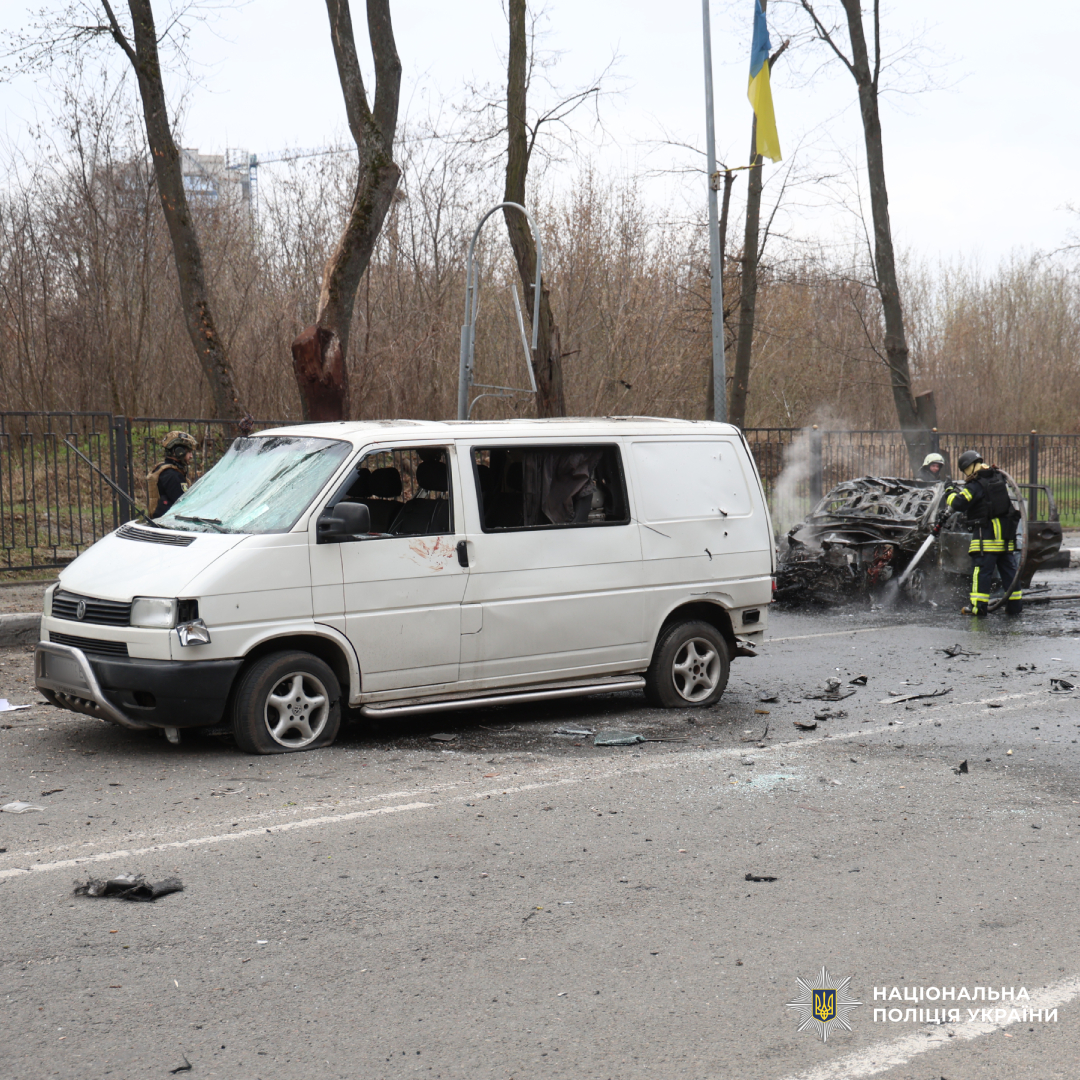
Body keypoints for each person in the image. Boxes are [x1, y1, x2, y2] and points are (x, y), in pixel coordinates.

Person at [945, 450, 1022, 616]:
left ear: (970, 467)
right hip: (1006, 537)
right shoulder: (998, 478)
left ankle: (977, 608)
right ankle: (1015, 607)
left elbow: (959, 503)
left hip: (987, 536)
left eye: (965, 470)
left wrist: (949, 491)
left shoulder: (976, 484)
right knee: (1009, 572)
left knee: (981, 572)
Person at [148, 430, 197, 518]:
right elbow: (184, 505)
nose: (191, 456)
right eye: (189, 452)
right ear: (179, 451)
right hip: (168, 526)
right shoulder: (172, 476)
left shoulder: (165, 470)